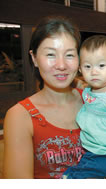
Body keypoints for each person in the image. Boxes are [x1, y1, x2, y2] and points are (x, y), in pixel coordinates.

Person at [3, 16, 84, 179]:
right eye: (50, 55)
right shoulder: (20, 116)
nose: (61, 65)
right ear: (34, 58)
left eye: (69, 55)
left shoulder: (92, 100)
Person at [62, 35, 106, 179]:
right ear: (81, 69)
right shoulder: (89, 89)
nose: (94, 72)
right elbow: (77, 82)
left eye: (101, 65)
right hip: (92, 151)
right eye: (88, 66)